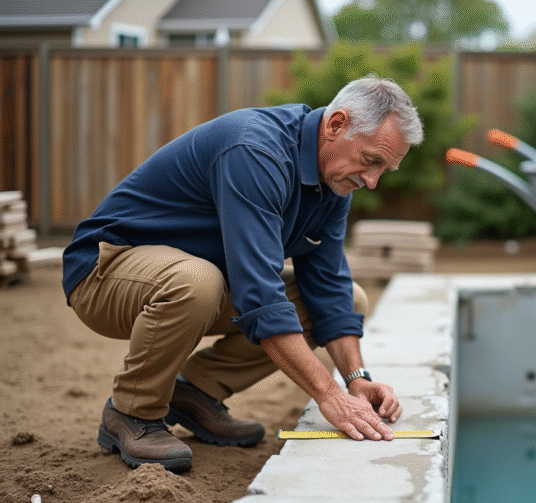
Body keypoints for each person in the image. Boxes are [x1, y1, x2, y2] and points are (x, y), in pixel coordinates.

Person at [61, 75, 424, 472]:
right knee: (197, 282)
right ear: (336, 125)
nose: (371, 181)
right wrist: (328, 394)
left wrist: (355, 378)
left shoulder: (333, 180)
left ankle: (195, 392)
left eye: (383, 170)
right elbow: (260, 294)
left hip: (195, 282)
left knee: (349, 298)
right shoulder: (254, 150)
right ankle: (132, 412)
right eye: (371, 160)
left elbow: (329, 287)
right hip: (106, 271)